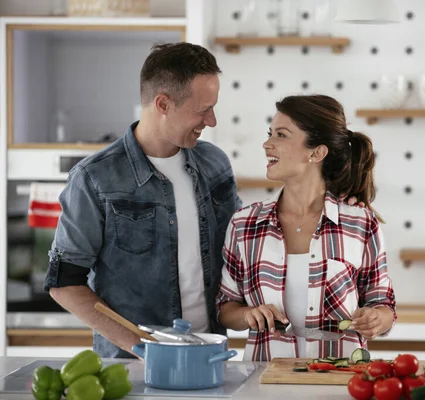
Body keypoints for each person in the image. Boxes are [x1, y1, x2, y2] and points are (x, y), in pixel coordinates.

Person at [43, 42, 243, 358]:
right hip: (133, 368)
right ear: (163, 104)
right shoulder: (94, 178)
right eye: (203, 109)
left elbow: (242, 250)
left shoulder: (215, 164)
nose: (212, 120)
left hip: (210, 358)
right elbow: (64, 283)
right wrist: (142, 347)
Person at [216, 94, 397, 361]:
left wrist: (376, 319)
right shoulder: (245, 224)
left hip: (340, 382)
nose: (267, 144)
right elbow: (225, 307)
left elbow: (383, 306)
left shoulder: (360, 223)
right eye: (270, 133)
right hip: (265, 382)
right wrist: (247, 314)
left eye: (281, 135)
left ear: (316, 152)